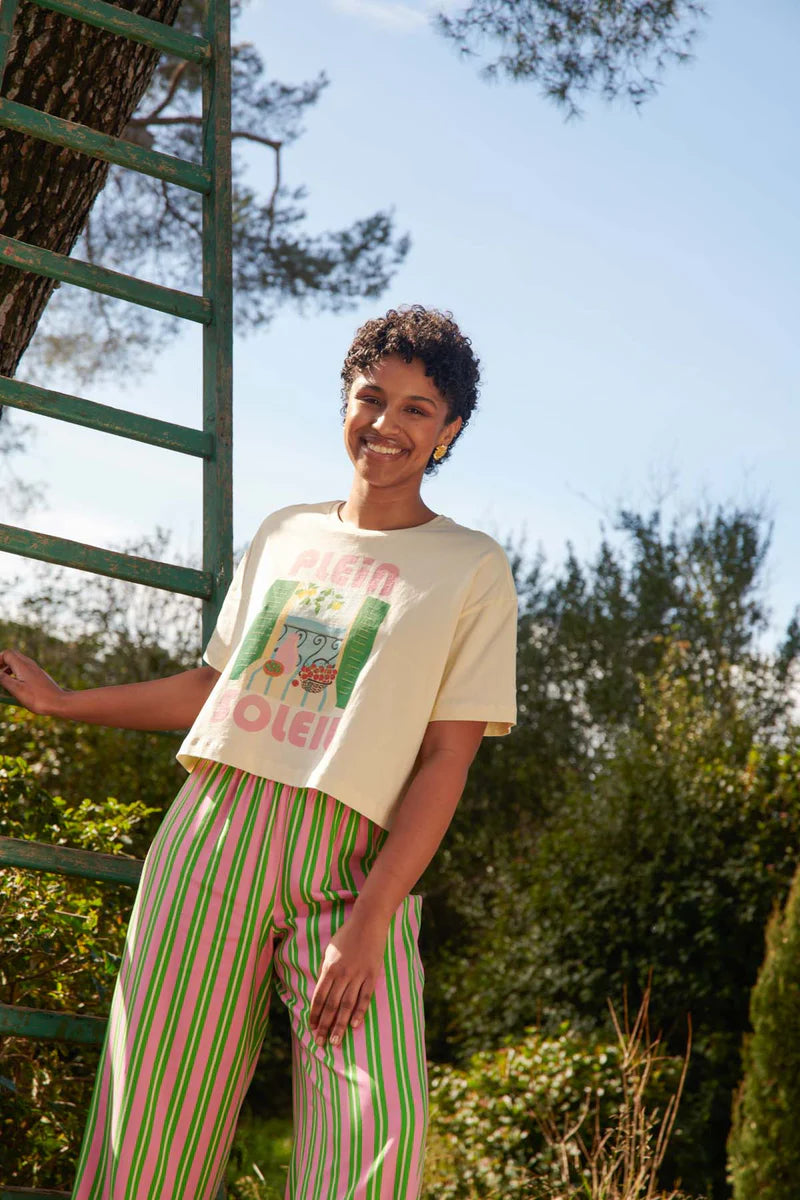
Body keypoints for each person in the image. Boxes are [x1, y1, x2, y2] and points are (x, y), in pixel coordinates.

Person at [0, 304, 518, 1200]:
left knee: (375, 1133)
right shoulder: (286, 533)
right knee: (152, 1124)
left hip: (355, 870)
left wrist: (371, 920)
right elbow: (215, 687)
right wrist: (64, 702)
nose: (386, 423)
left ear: (450, 431)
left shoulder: (471, 567)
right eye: (372, 397)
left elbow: (446, 760)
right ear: (346, 402)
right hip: (214, 836)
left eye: (417, 409)